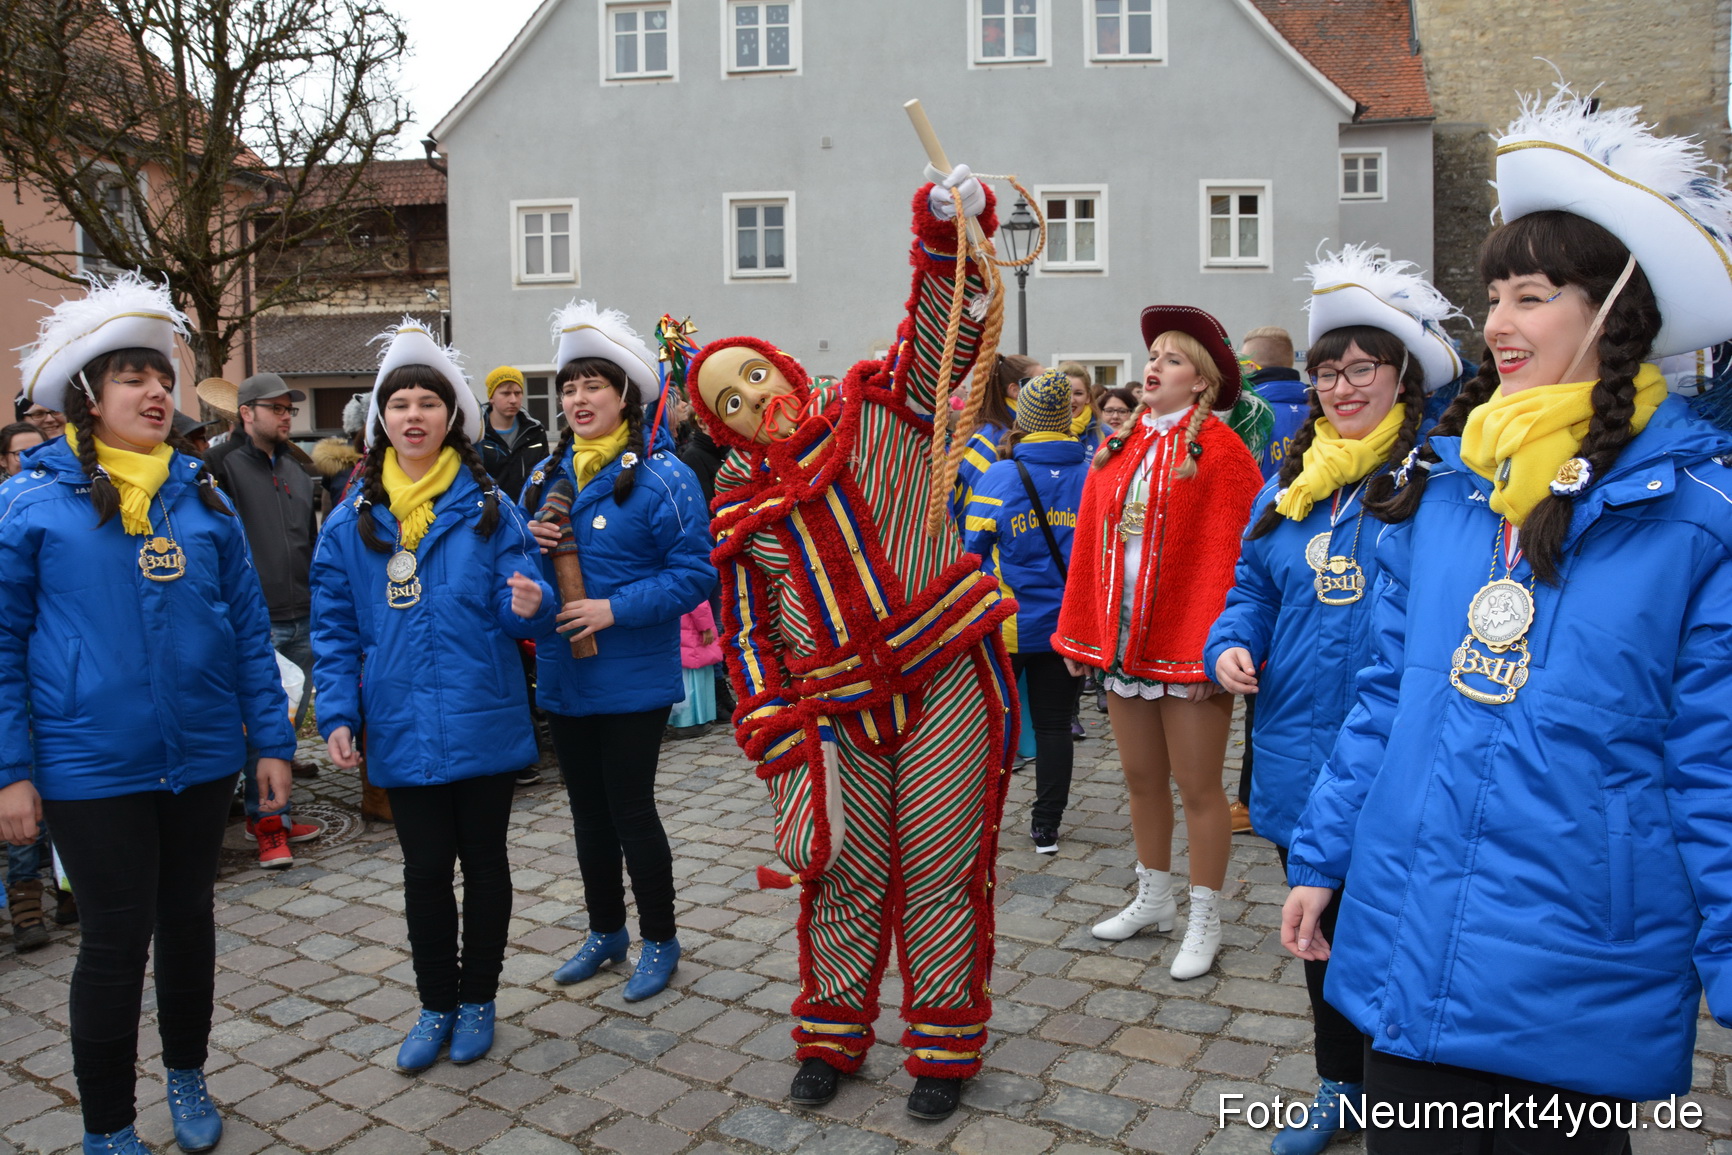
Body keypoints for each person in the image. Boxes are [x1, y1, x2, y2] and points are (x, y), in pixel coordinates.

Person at [1281, 90, 1732, 1152]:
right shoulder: (1446, 489)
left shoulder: (1697, 517)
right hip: (1408, 926)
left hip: (1577, 957)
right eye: (1491, 297)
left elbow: (1715, 758)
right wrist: (1322, 853)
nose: (1495, 325)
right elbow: (1386, 695)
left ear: (1615, 311)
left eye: (1530, 296)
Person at [688, 162, 1018, 1122]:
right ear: (723, 429)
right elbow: (750, 638)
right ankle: (830, 1035)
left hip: (944, 679)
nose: (755, 400)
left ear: (788, 369)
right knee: (841, 874)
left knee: (943, 869)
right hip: (838, 716)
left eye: (755, 375)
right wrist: (775, 729)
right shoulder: (738, 510)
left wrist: (947, 231)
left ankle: (944, 1047)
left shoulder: (879, 410)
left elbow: (943, 338)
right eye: (731, 401)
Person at [1, 276, 295, 1155]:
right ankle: (109, 1127)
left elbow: (246, 628)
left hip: (201, 756)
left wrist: (270, 739)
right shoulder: (30, 503)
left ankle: (187, 1072)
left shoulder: (202, 496)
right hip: (90, 764)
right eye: (132, 377)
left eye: (163, 376)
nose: (156, 391)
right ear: (88, 397)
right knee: (114, 941)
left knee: (189, 922)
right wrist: (11, 770)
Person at [1207, 246, 1461, 1155]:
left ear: (1403, 377)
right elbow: (1252, 586)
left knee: (1396, 939)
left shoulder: (1440, 484)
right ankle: (1340, 1086)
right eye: (1327, 372)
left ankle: (1407, 1093)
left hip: (1397, 765)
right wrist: (1231, 641)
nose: (1341, 387)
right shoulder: (1289, 483)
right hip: (1295, 757)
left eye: (1361, 369)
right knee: (1317, 937)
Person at [312, 319, 555, 1074]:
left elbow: (528, 597)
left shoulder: (490, 505)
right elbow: (332, 627)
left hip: (482, 709)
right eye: (400, 404)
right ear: (381, 420)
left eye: (428, 402)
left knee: (484, 865)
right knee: (423, 873)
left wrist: (531, 602)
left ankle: (478, 998)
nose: (413, 415)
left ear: (451, 417)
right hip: (399, 719)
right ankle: (434, 1004)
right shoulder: (349, 521)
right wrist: (337, 710)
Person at [1054, 307, 1261, 981]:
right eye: (1153, 356)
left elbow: (1236, 559)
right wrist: (1080, 628)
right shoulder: (1118, 447)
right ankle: (1155, 898)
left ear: (1200, 382)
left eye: (1173, 360)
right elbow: (1089, 546)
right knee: (1141, 780)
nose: (1154, 367)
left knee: (1198, 786)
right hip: (1123, 645)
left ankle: (1205, 916)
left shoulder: (1223, 454)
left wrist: (1214, 645)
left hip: (1189, 645)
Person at [522, 301, 713, 1004]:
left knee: (631, 809)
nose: (578, 399)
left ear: (626, 396)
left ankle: (660, 937)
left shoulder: (666, 476)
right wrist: (530, 555)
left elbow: (694, 575)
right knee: (587, 813)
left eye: (593, 386)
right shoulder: (545, 478)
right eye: (569, 388)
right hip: (565, 671)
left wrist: (614, 607)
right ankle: (605, 930)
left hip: (632, 676)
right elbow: (518, 572)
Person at [963, 369, 1088, 851]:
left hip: (1008, 624)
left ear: (1025, 416)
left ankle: (978, 822)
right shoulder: (1092, 472)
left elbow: (972, 550)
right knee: (1054, 726)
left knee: (990, 725)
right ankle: (1046, 826)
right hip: (1067, 626)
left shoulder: (999, 475)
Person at [206, 371, 322, 866]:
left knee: (286, 726)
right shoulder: (221, 466)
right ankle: (268, 825)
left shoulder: (297, 469)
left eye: (288, 409)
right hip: (257, 620)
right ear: (246, 413)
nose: (285, 416)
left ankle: (278, 813)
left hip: (303, 614)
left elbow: (308, 542)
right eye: (275, 408)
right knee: (260, 723)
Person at [951, 352, 1041, 522]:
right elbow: (969, 504)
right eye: (1039, 383)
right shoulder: (990, 437)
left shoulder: (1024, 430)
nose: (1047, 389)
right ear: (1015, 390)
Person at [479, 366, 550, 502]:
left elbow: (545, 474)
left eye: (517, 393)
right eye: (506, 393)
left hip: (529, 509)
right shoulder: (478, 433)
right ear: (491, 397)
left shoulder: (535, 431)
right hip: (491, 509)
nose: (513, 399)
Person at [667, 600, 721, 738]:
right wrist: (706, 627)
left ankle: (678, 722)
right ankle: (692, 722)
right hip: (692, 633)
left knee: (684, 678)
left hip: (677, 632)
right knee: (696, 681)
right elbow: (698, 602)